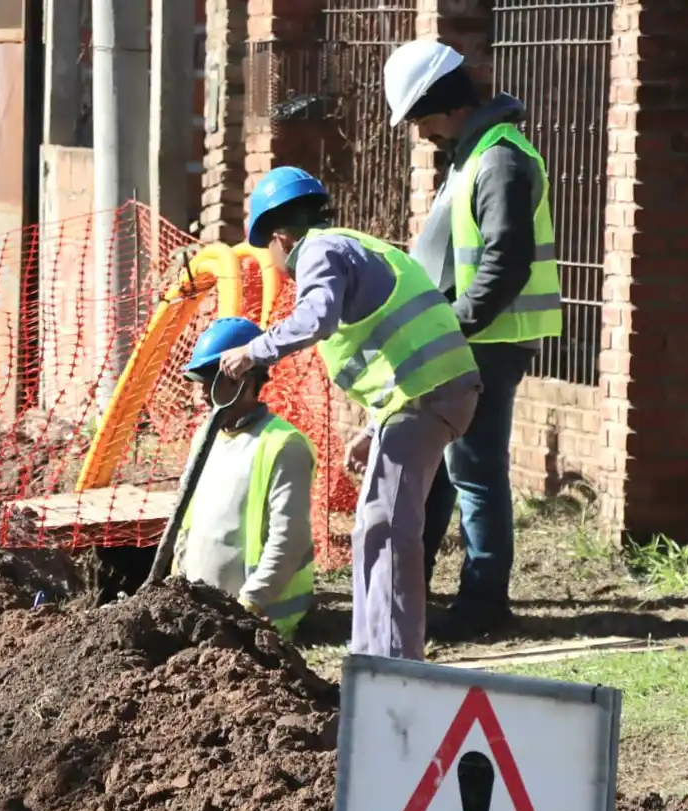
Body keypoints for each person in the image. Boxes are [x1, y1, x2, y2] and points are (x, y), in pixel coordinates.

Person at [217, 167, 481, 662]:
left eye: (270, 255)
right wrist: (374, 426)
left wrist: (253, 352)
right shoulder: (354, 245)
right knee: (375, 522)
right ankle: (372, 649)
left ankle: (393, 659)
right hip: (425, 395)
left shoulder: (318, 251)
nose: (276, 267)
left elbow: (316, 318)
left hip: (427, 395)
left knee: (387, 524)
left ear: (279, 238)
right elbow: (394, 348)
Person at [383, 39, 563, 642]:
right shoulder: (473, 155)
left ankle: (484, 603)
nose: (421, 133)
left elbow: (503, 262)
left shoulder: (500, 160)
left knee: (475, 471)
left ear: (447, 105)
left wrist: (454, 327)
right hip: (466, 341)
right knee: (444, 471)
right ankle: (418, 588)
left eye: (421, 118)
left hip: (485, 342)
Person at [174, 316, 316, 640]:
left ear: (243, 378)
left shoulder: (283, 445)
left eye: (208, 380)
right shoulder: (206, 438)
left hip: (260, 625)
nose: (198, 395)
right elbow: (186, 520)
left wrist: (248, 606)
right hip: (203, 618)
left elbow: (287, 539)